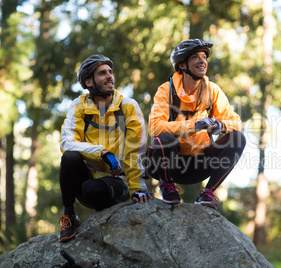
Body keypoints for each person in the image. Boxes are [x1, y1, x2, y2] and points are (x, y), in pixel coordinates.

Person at [57, 54, 153, 242]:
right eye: (102, 73)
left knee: (91, 189)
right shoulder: (78, 106)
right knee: (69, 157)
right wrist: (102, 151)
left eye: (110, 72)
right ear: (89, 82)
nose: (110, 76)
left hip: (117, 181)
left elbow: (135, 151)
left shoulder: (128, 107)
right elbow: (67, 141)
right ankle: (69, 216)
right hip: (86, 178)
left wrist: (137, 189)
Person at [146, 39, 246, 210]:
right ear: (182, 65)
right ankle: (166, 184)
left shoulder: (212, 90)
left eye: (204, 57)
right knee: (164, 138)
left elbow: (236, 121)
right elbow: (154, 127)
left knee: (238, 137)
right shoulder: (166, 90)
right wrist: (194, 126)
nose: (202, 61)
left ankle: (208, 192)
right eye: (195, 57)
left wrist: (220, 125)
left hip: (200, 166)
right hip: (169, 165)